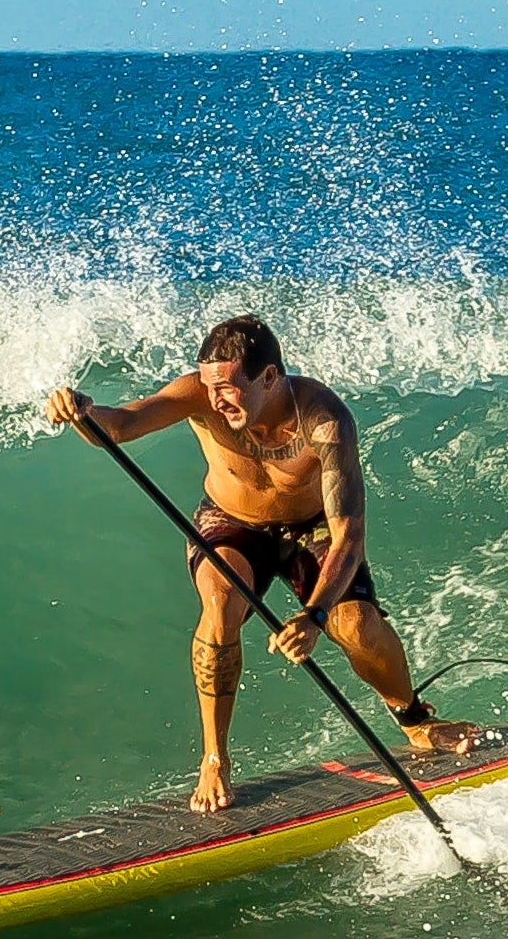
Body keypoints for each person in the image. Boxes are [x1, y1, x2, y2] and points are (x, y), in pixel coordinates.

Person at [50, 315, 486, 810]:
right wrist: (84, 413)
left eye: (230, 388)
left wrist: (316, 615)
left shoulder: (324, 419)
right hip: (231, 520)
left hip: (312, 527)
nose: (217, 400)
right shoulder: (199, 394)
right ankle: (215, 759)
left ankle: (415, 721)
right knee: (220, 605)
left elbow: (349, 535)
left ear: (271, 378)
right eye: (211, 387)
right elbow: (121, 425)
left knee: (358, 627)